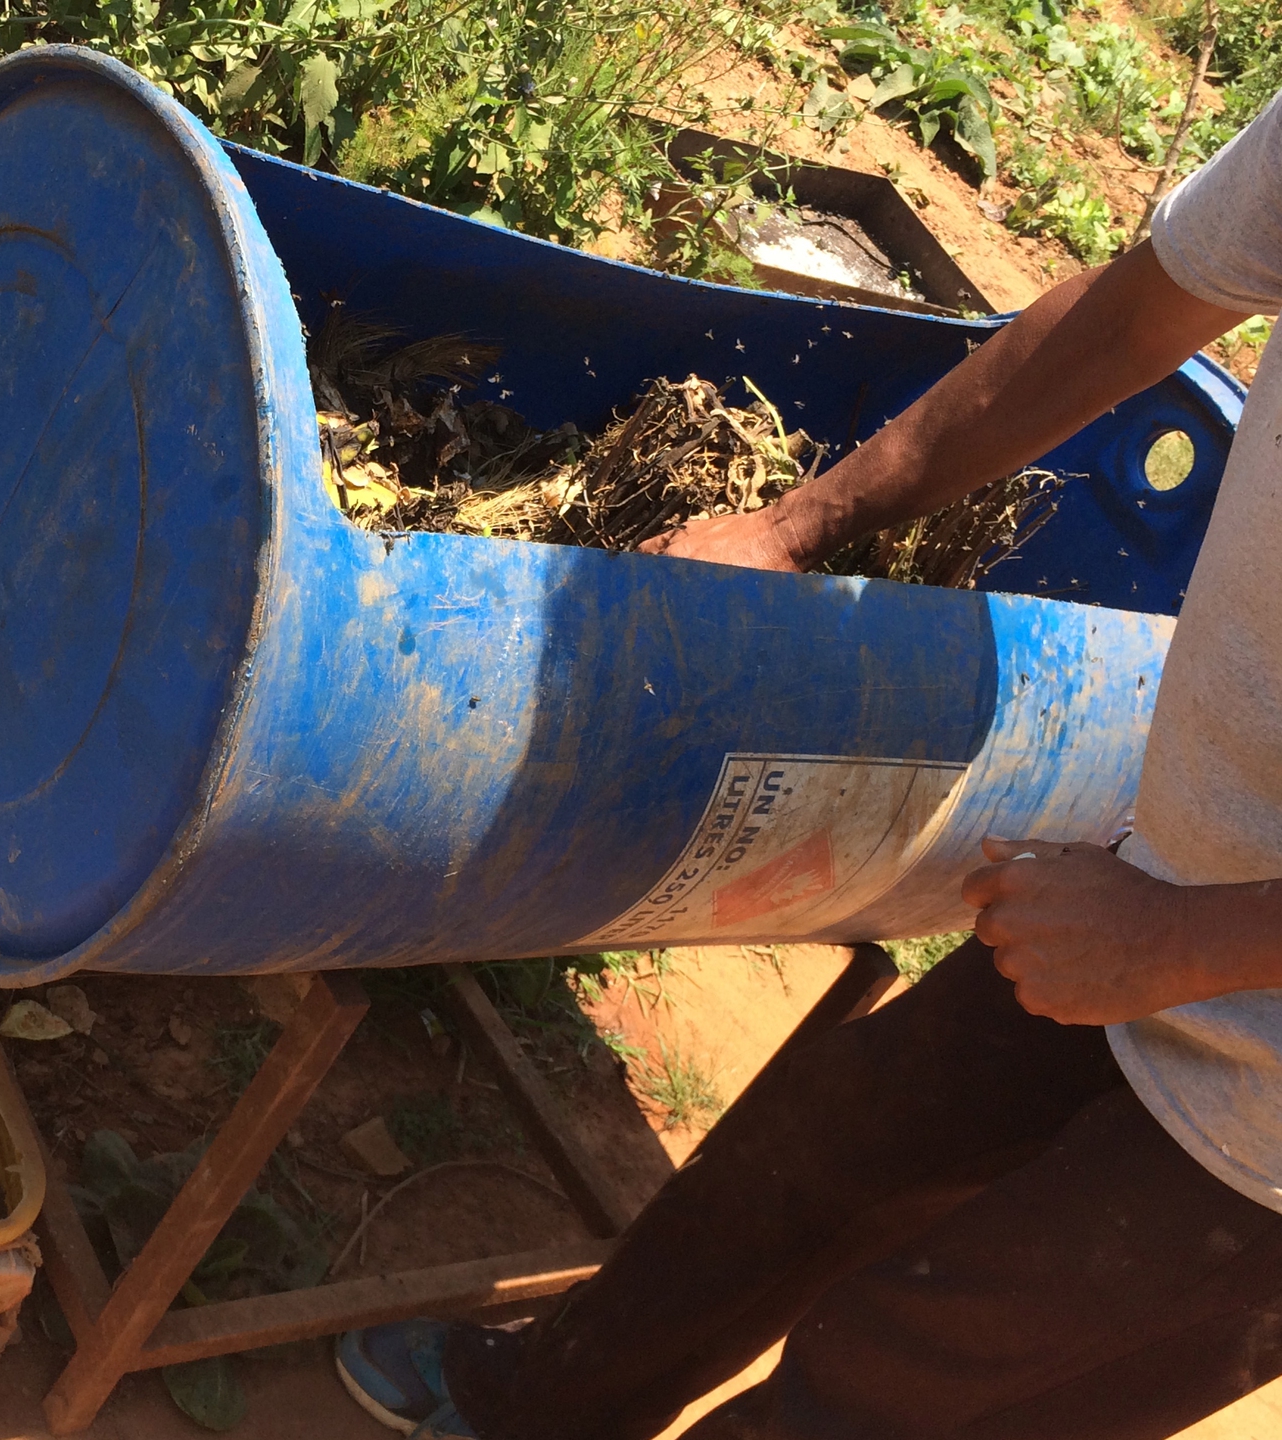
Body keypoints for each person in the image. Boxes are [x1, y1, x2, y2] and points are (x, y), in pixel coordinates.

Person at [334, 90, 1282, 1440]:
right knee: (825, 1152)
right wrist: (799, 523)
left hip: (1259, 1151)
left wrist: (1182, 943)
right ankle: (536, 1405)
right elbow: (1136, 312)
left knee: (897, 1378)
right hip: (1179, 883)